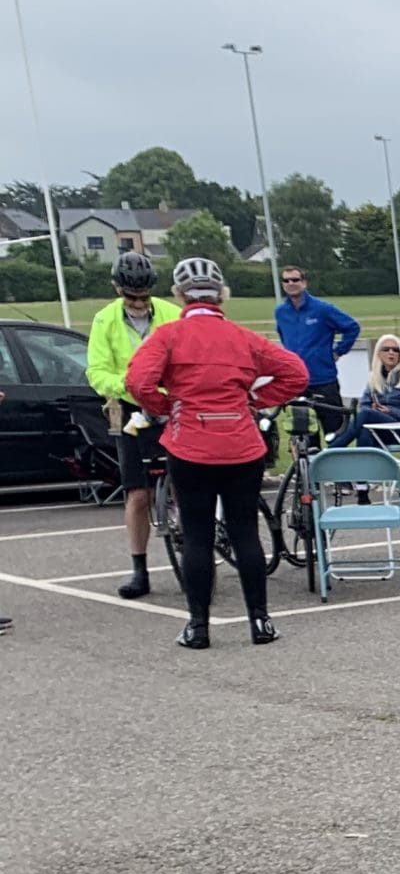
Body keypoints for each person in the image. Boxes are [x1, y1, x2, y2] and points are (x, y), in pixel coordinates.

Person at [127, 256, 308, 650]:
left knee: (196, 536)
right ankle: (260, 621)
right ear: (222, 295)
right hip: (241, 443)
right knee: (245, 532)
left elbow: (138, 381)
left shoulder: (168, 336)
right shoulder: (243, 338)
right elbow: (296, 373)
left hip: (190, 442)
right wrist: (256, 400)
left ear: (178, 295)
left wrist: (163, 407)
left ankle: (198, 626)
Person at [85, 251, 181, 597]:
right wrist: (128, 386)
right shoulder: (104, 319)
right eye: (130, 296)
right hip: (131, 410)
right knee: (137, 493)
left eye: (143, 296)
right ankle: (139, 568)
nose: (138, 303)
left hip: (170, 405)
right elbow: (96, 370)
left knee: (184, 482)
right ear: (117, 289)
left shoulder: (171, 314)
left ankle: (195, 546)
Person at [273, 266, 358, 437]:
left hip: (323, 380)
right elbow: (284, 338)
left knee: (335, 431)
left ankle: (337, 462)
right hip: (297, 382)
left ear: (304, 283)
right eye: (287, 280)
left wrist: (338, 351)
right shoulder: (281, 312)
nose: (291, 283)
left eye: (295, 280)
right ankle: (306, 464)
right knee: (302, 434)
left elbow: (352, 327)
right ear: (282, 285)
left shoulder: (323, 309)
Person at [331, 334, 400, 445]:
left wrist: (391, 411)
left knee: (367, 414)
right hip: (382, 430)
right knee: (364, 429)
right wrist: (375, 410)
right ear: (379, 353)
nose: (391, 352)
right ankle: (365, 462)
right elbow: (364, 405)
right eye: (386, 349)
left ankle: (334, 448)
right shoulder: (374, 378)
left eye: (396, 350)